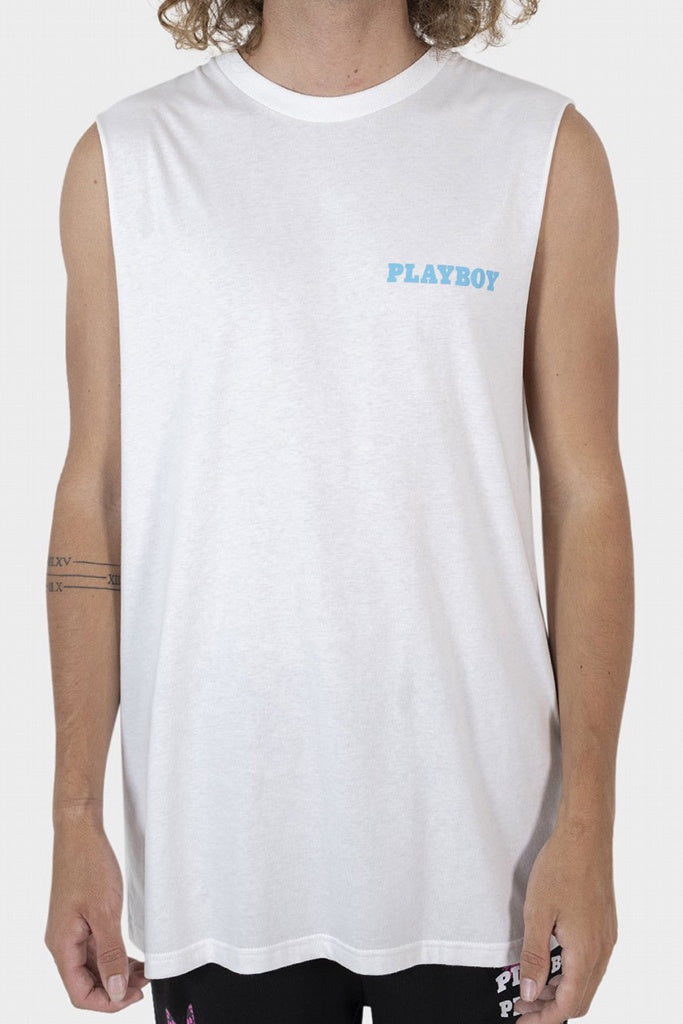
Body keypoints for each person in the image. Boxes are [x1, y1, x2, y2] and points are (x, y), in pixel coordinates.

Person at [44, 1, 633, 1021]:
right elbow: (91, 494)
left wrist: (587, 825)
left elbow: (586, 496)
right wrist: (72, 817)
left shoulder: (540, 149)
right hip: (220, 855)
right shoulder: (127, 161)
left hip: (484, 860)